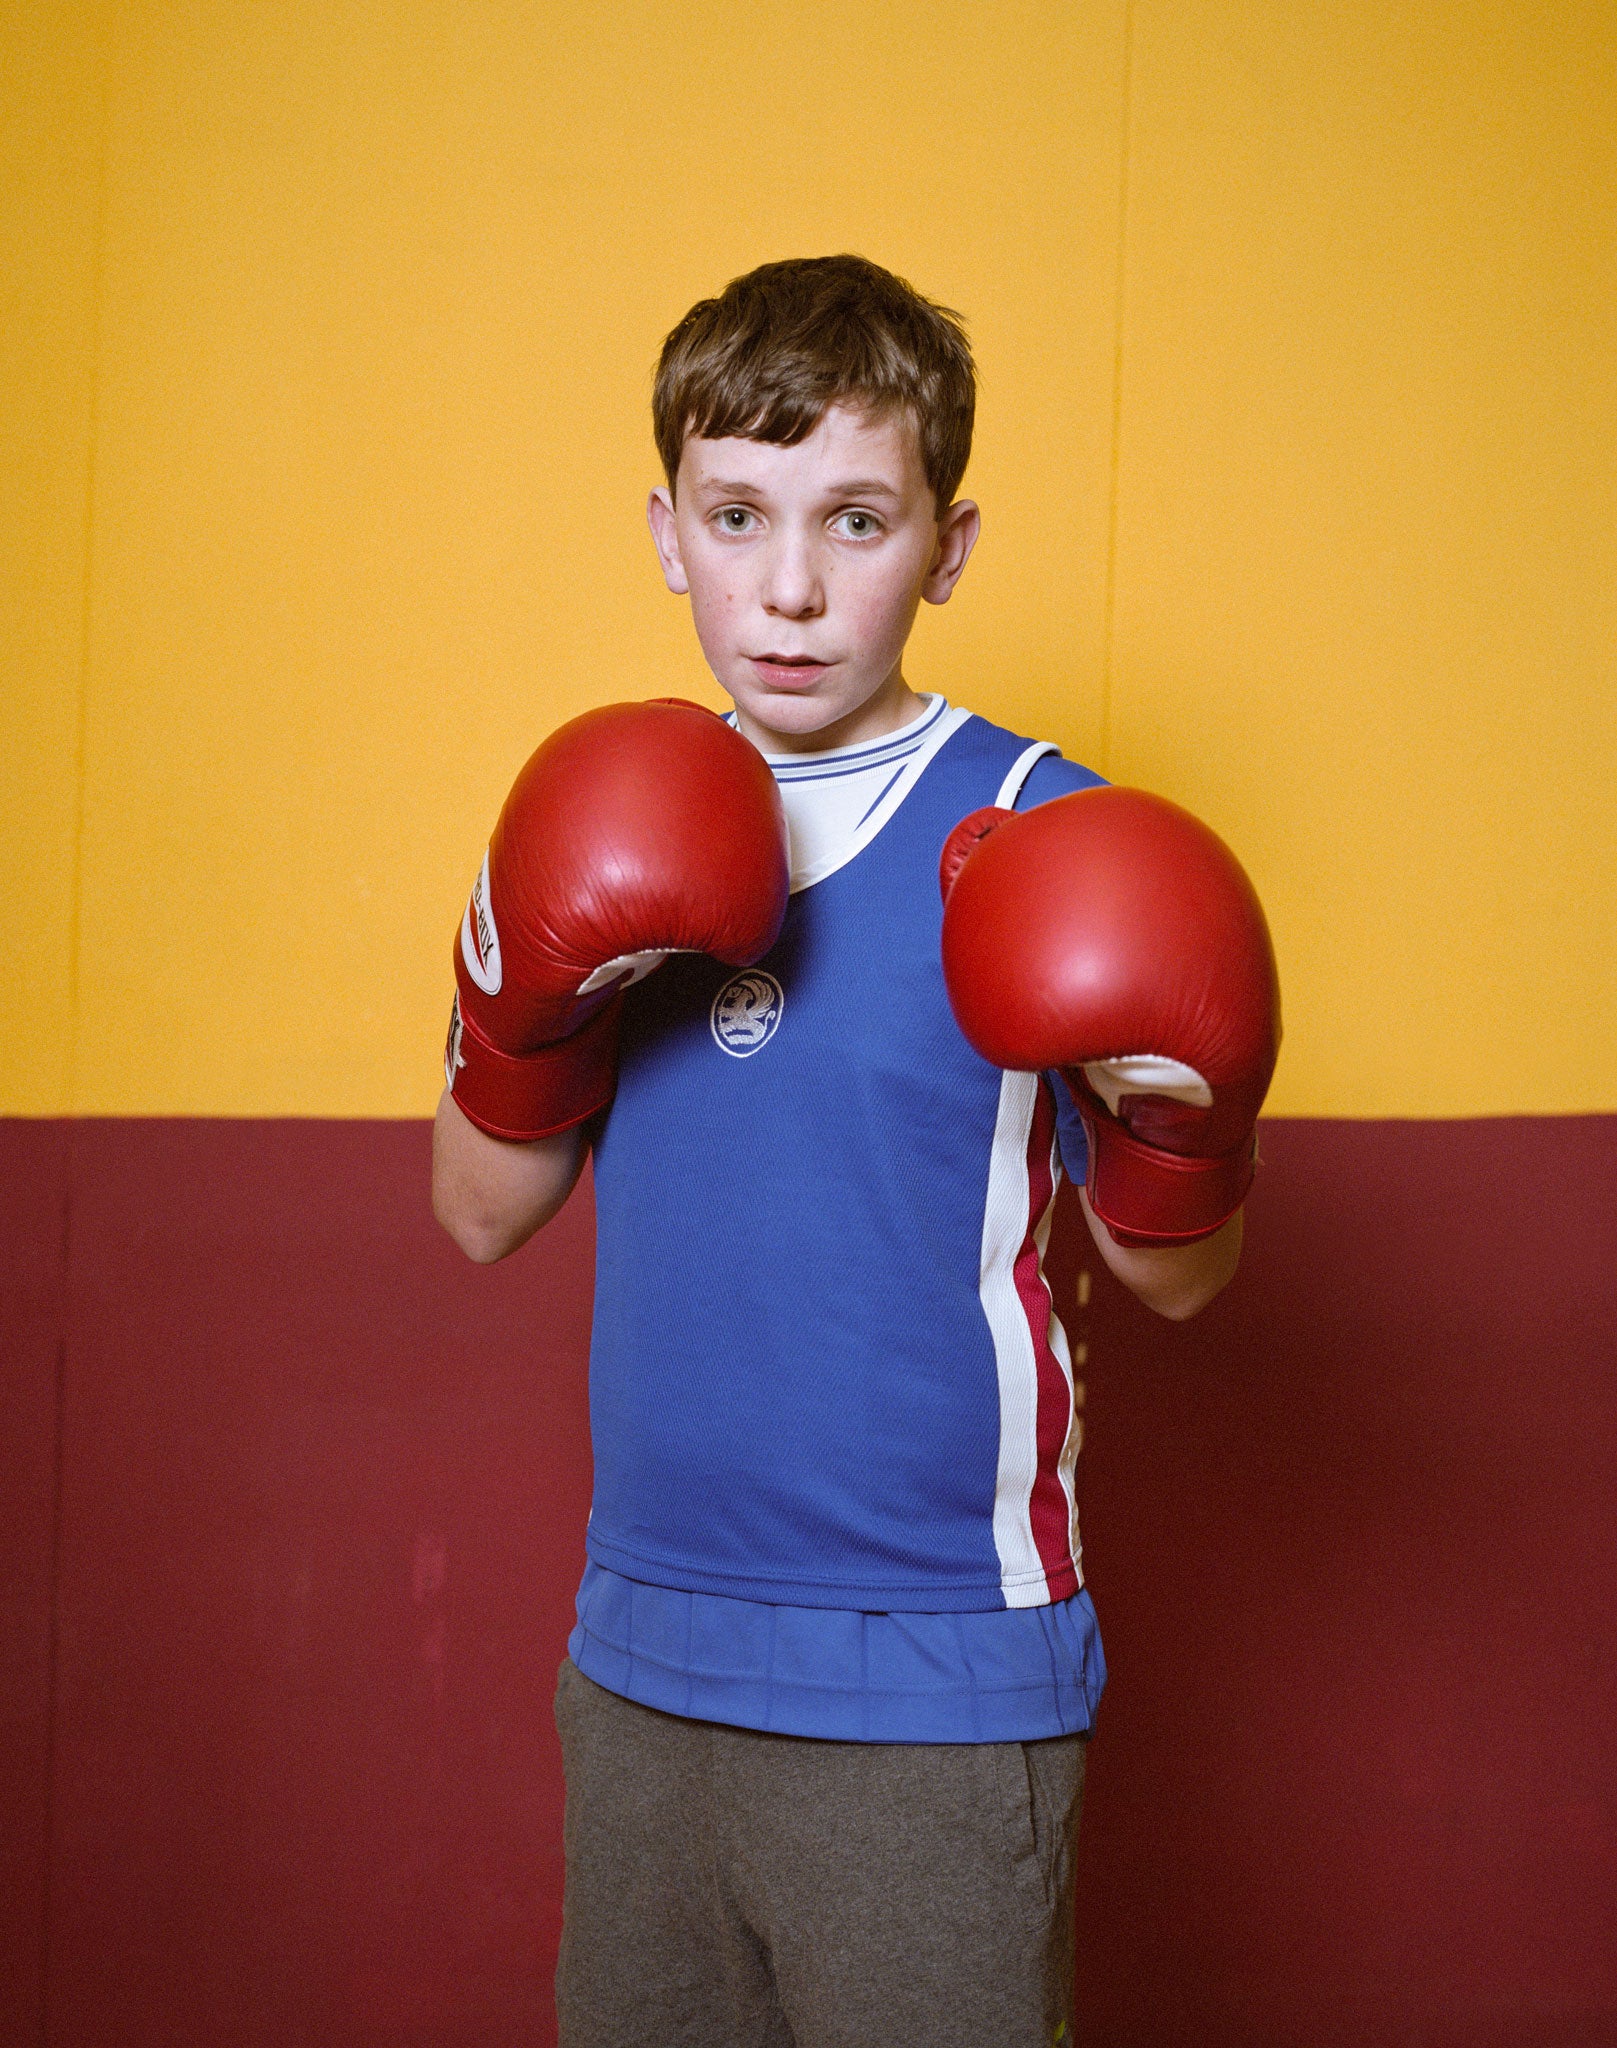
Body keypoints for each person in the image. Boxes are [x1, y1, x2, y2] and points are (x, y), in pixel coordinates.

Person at [431, 254, 1278, 2048]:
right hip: (643, 1658)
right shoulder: (595, 813)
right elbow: (478, 1211)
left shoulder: (1045, 837)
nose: (791, 588)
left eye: (857, 521)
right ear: (667, 528)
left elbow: (1174, 1277)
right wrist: (531, 1004)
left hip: (935, 1681)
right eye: (738, 517)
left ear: (947, 548)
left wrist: (1171, 1122)